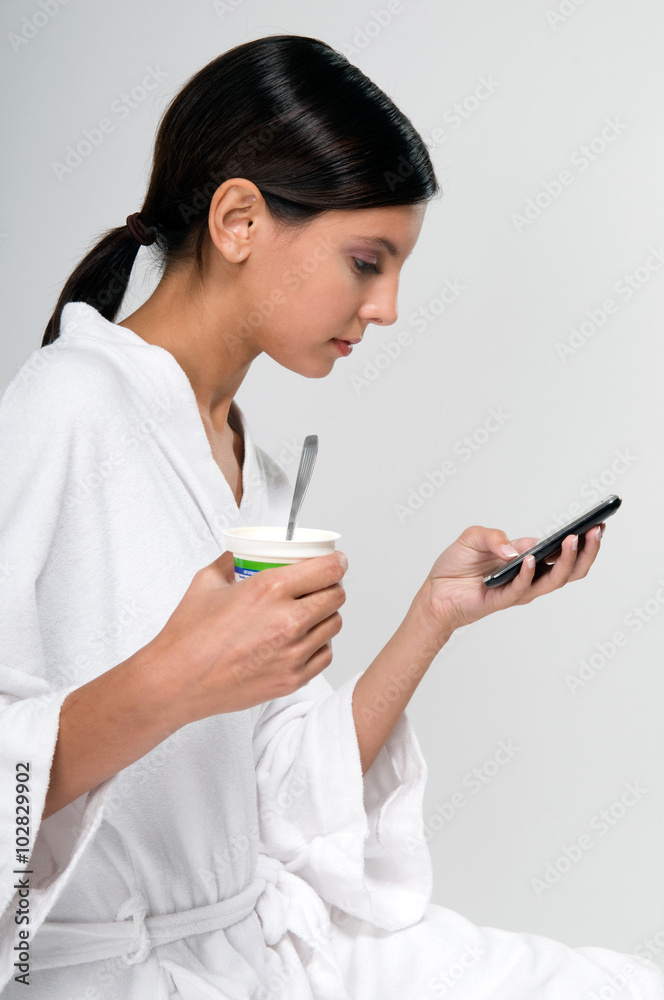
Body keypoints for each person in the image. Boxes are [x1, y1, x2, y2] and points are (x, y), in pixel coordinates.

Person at [0, 33, 660, 1000]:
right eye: (366, 260)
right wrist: (177, 674)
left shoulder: (253, 469)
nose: (387, 307)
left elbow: (281, 797)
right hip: (108, 970)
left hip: (253, 941)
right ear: (238, 219)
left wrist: (434, 616)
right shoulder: (60, 413)